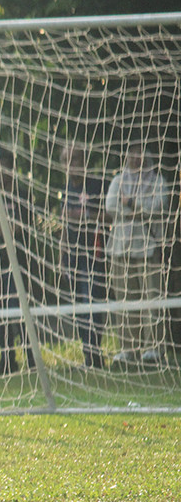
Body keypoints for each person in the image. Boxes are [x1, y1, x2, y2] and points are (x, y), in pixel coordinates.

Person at [105, 141, 168, 365]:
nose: (136, 156)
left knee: (152, 297)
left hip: (148, 249)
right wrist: (137, 209)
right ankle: (128, 348)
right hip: (121, 249)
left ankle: (153, 348)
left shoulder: (157, 181)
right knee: (124, 298)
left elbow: (157, 206)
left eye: (140, 151)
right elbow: (111, 206)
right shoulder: (118, 181)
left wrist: (131, 203)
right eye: (132, 152)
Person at [0, 150, 36, 376]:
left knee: (17, 308)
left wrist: (6, 228)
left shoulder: (22, 195)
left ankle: (31, 358)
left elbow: (21, 227)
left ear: (11, 169)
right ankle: (7, 360)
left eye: (1, 168)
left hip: (16, 261)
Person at [60, 145, 108, 369]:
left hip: (94, 253)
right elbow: (63, 226)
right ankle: (87, 354)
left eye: (75, 159)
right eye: (67, 160)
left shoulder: (97, 185)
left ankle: (95, 354)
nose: (71, 165)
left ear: (84, 161)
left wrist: (86, 216)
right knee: (80, 305)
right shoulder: (66, 189)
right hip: (74, 256)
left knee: (93, 302)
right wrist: (62, 258)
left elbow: (109, 216)